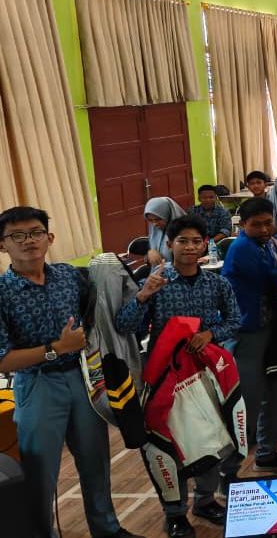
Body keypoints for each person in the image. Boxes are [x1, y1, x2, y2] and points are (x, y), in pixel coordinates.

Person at [0, 206, 145, 538]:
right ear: (3, 245)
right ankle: (41, 533)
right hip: (37, 385)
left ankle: (106, 528)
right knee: (40, 471)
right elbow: (2, 360)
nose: (28, 241)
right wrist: (56, 348)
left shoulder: (69, 277)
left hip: (83, 379)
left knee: (96, 459)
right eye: (17, 236)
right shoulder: (2, 292)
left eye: (36, 233)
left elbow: (100, 317)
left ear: (49, 238)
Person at [114, 215, 241, 537]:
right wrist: (143, 295)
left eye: (196, 241)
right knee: (167, 442)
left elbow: (235, 320)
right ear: (169, 244)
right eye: (182, 241)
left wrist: (210, 334)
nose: (190, 247)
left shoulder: (217, 283)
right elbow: (125, 326)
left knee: (211, 436)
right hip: (164, 375)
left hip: (205, 373)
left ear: (205, 244)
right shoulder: (156, 281)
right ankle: (174, 513)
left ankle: (205, 500)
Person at [220, 198, 277, 474]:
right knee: (248, 402)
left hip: (271, 330)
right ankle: (228, 470)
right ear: (242, 225)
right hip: (249, 333)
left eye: (268, 223)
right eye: (256, 225)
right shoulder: (242, 248)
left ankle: (267, 453)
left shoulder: (266, 243)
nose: (265, 229)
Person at [144, 196, 186, 267]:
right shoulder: (156, 231)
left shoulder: (185, 231)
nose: (154, 224)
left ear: (168, 215)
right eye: (150, 220)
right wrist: (150, 253)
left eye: (158, 219)